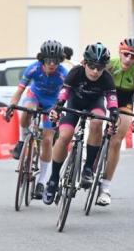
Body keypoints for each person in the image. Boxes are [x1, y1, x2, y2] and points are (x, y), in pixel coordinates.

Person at [43, 43, 118, 205]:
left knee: (97, 122)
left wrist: (114, 116)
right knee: (64, 136)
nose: (95, 71)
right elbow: (64, 92)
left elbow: (112, 101)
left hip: (95, 105)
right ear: (85, 63)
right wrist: (57, 107)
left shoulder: (106, 78)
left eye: (99, 67)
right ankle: (53, 179)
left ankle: (88, 168)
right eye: (91, 66)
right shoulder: (76, 72)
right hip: (74, 105)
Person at [7, 40, 68, 199]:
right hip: (34, 96)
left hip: (52, 103)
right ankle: (22, 141)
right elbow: (19, 90)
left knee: (48, 140)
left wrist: (61, 110)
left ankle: (41, 182)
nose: (52, 64)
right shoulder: (33, 68)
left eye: (56, 61)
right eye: (48, 60)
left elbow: (67, 95)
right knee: (27, 110)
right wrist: (12, 105)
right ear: (42, 59)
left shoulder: (63, 74)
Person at [98, 37, 134, 206]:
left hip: (124, 103)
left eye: (133, 57)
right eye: (126, 54)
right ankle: (89, 159)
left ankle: (105, 188)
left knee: (117, 140)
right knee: (95, 123)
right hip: (104, 97)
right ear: (119, 52)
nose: (128, 59)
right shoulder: (109, 64)